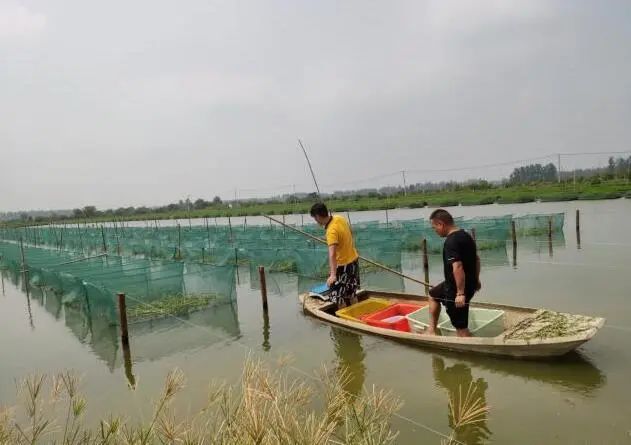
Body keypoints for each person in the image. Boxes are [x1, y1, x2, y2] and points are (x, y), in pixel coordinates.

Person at [428, 209, 481, 337]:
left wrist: (460, 293)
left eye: (434, 227)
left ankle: (471, 351)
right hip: (466, 284)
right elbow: (477, 259)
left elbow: (457, 266)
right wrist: (476, 279)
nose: (435, 231)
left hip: (456, 290)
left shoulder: (451, 242)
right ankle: (432, 331)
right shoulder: (466, 235)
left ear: (441, 224)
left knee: (461, 328)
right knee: (433, 294)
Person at [310, 203, 360, 309]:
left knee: (339, 298)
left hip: (343, 267)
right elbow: (350, 232)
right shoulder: (339, 218)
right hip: (354, 262)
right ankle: (357, 317)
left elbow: (332, 254)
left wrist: (333, 275)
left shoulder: (331, 231)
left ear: (318, 216)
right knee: (352, 293)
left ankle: (346, 321)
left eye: (315, 218)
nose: (316, 221)